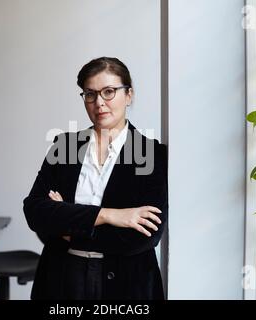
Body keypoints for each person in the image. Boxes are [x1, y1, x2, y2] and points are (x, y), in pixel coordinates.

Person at [23, 57, 168, 300]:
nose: (99, 102)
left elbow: (143, 236)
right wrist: (109, 215)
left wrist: (68, 226)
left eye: (109, 92)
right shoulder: (65, 147)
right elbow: (35, 212)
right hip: (62, 279)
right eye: (90, 94)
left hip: (127, 285)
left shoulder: (152, 154)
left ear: (129, 95)